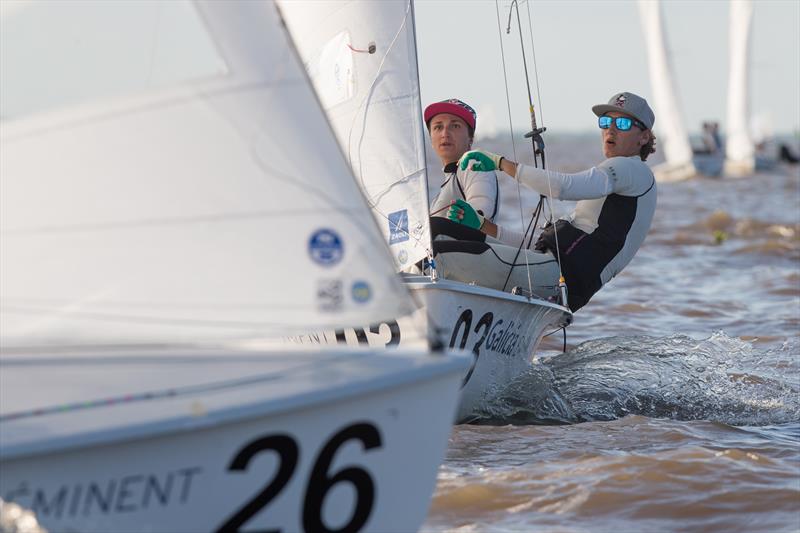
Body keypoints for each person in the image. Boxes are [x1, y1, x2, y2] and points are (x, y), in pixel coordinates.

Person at [440, 91, 658, 312]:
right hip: (555, 275)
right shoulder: (618, 191)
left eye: (621, 123)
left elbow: (563, 187)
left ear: (644, 137)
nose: (610, 129)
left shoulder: (632, 168)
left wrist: (500, 163)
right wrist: (483, 227)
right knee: (443, 229)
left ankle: (422, 334)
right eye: (605, 121)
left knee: (437, 248)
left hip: (557, 276)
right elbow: (539, 248)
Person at [423, 99, 499, 229]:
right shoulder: (450, 180)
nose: (445, 134)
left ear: (471, 137)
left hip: (474, 247)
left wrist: (473, 215)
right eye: (438, 127)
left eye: (455, 126)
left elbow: (481, 211)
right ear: (431, 138)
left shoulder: (474, 166)